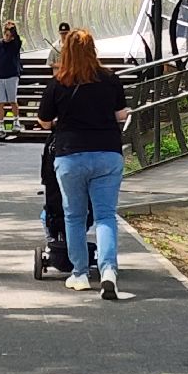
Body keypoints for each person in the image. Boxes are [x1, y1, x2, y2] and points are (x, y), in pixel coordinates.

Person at [37, 29, 130, 300]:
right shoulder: (111, 79)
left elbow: (44, 121)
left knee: (74, 217)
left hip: (71, 155)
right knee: (105, 215)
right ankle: (109, 271)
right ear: (93, 50)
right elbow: (120, 114)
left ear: (65, 52)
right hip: (107, 154)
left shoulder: (58, 82)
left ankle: (79, 274)